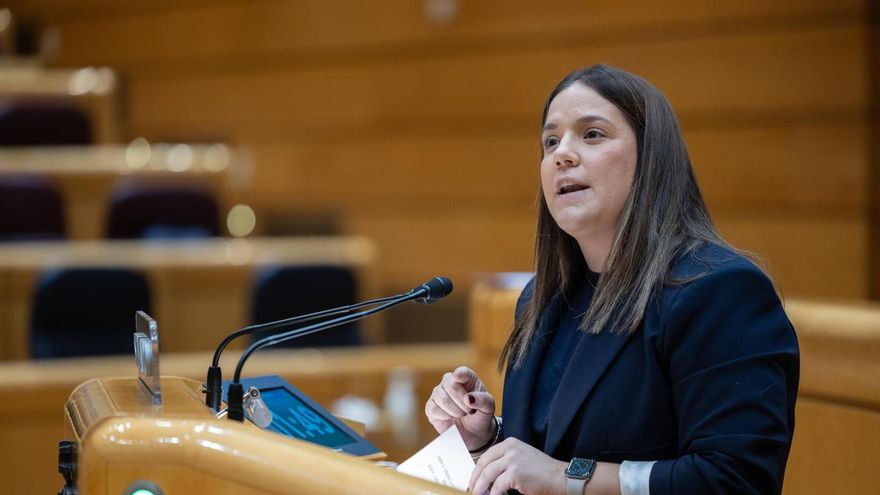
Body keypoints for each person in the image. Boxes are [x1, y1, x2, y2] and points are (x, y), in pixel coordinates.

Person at [425, 64, 799, 495]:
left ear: (650, 157)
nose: (562, 153)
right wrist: (486, 440)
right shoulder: (540, 300)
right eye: (550, 141)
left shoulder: (720, 292)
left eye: (592, 134)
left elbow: (736, 479)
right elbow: (556, 451)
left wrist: (566, 478)